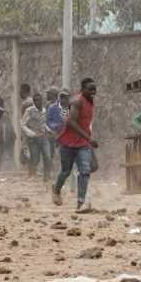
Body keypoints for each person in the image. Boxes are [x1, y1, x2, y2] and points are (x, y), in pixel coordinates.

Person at [53, 78, 98, 212]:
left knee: (84, 171)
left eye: (95, 89)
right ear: (82, 89)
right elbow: (71, 122)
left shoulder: (90, 101)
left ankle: (80, 202)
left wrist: (87, 140)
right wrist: (89, 139)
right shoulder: (77, 101)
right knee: (66, 171)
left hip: (82, 144)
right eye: (90, 89)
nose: (93, 91)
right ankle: (56, 189)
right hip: (68, 142)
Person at [21, 92, 53, 181]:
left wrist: (49, 130)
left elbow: (43, 123)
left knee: (47, 156)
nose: (38, 102)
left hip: (43, 137)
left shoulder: (44, 111)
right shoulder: (29, 111)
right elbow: (23, 124)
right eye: (36, 100)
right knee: (35, 158)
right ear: (34, 102)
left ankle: (47, 176)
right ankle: (32, 175)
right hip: (33, 138)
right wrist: (31, 133)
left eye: (40, 100)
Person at [46, 88, 69, 162]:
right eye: (62, 96)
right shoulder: (51, 107)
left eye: (65, 96)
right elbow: (48, 121)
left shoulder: (72, 107)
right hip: (55, 133)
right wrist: (55, 126)